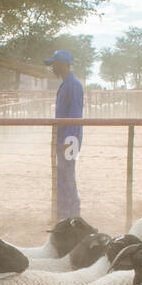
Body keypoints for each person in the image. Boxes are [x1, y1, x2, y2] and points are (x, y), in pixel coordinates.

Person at [45, 49, 84, 219]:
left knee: (67, 175)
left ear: (62, 65)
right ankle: (63, 214)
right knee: (63, 174)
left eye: (54, 64)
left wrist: (67, 141)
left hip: (70, 138)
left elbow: (74, 116)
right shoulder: (66, 84)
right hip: (64, 138)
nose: (52, 67)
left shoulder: (73, 85)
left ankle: (72, 213)